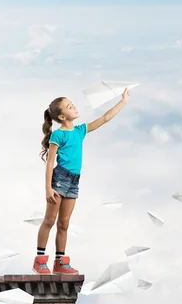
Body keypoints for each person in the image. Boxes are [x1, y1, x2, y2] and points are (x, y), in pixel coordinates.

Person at [33, 87, 131, 275]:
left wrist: (123, 101)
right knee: (50, 220)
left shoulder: (80, 130)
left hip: (74, 181)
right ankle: (40, 260)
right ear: (62, 117)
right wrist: (47, 188)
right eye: (69, 106)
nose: (74, 107)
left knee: (64, 223)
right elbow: (50, 162)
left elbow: (104, 118)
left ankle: (60, 262)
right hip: (60, 178)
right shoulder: (58, 135)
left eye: (72, 104)